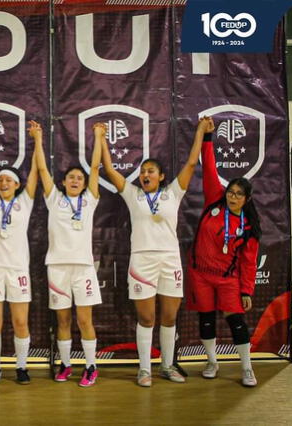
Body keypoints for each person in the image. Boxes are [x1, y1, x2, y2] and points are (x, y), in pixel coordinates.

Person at [100, 117, 205, 387]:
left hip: (170, 261)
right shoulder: (133, 195)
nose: (145, 175)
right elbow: (110, 171)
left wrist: (201, 132)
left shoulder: (173, 193)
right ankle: (144, 369)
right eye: (143, 171)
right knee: (147, 318)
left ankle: (167, 366)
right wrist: (101, 138)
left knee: (169, 318)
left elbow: (192, 163)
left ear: (161, 177)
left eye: (151, 171)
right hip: (142, 262)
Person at [186, 117, 261, 387]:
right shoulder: (213, 200)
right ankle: (212, 361)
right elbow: (209, 168)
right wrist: (208, 138)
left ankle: (247, 368)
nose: (232, 197)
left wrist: (246, 290)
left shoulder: (249, 227)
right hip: (201, 274)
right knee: (205, 320)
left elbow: (249, 262)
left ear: (247, 199)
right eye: (231, 192)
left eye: (238, 194)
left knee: (236, 321)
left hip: (228, 278)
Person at [35, 121, 103, 387]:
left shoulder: (90, 200)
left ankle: (91, 366)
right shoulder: (54, 199)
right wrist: (38, 139)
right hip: (57, 267)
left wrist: (98, 137)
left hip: (83, 267)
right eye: (71, 177)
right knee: (62, 319)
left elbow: (95, 167)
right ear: (63, 182)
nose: (75, 180)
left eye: (80, 178)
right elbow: (42, 169)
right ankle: (65, 365)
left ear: (84, 184)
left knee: (84, 319)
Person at [0, 120, 39, 385]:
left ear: (16, 185)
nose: (2, 182)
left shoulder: (25, 201)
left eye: (8, 179)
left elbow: (37, 170)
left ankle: (22, 367)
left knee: (20, 322)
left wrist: (38, 140)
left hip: (17, 269)